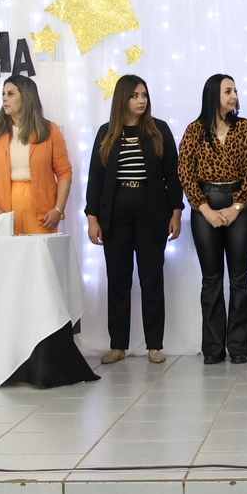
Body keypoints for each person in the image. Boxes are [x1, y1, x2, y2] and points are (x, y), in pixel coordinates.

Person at [85, 75, 183, 366]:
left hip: (152, 213)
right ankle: (118, 346)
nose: (142, 100)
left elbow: (173, 175)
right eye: (135, 95)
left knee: (151, 278)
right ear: (122, 99)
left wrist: (176, 212)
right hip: (115, 214)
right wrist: (92, 218)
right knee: (118, 280)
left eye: (144, 95)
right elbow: (96, 178)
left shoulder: (158, 130)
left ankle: (154, 345)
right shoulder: (106, 133)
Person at [178, 74, 247, 365]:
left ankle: (239, 347)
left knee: (240, 278)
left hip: (240, 206)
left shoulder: (245, 127)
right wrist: (205, 210)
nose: (234, 96)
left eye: (235, 90)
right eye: (228, 91)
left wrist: (236, 207)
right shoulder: (194, 131)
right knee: (211, 279)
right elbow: (185, 173)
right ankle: (213, 348)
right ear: (213, 94)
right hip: (205, 206)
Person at [0, 74, 72, 235]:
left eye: (10, 94)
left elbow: (64, 173)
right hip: (3, 214)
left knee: (39, 251)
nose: (4, 98)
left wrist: (58, 209)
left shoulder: (50, 130)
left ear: (26, 96)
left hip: (42, 214)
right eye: (3, 93)